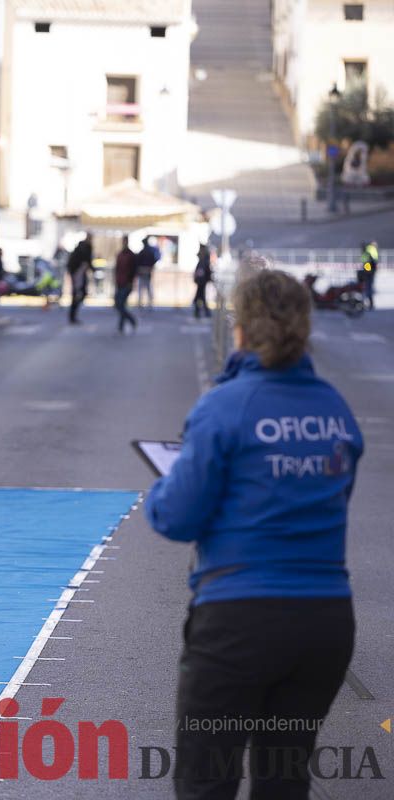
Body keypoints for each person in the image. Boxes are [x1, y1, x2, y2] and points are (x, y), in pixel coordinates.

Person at [146, 269, 363, 799]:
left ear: (239, 329)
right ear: (304, 327)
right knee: (284, 780)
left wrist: (166, 484)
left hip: (239, 620)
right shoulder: (335, 409)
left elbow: (177, 517)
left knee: (207, 780)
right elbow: (334, 498)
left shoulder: (225, 406)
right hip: (326, 622)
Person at [66, 233, 93, 324]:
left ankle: (73, 315)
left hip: (77, 272)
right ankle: (72, 316)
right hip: (77, 273)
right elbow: (88, 261)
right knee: (78, 294)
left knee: (78, 294)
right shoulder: (85, 248)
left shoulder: (80, 248)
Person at [113, 236, 138, 333]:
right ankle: (123, 324)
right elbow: (117, 269)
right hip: (119, 282)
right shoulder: (120, 254)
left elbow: (133, 270)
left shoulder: (131, 255)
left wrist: (130, 282)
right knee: (120, 304)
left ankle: (130, 320)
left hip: (126, 283)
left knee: (120, 304)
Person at [135, 237, 159, 310]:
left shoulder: (147, 252)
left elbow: (153, 261)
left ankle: (148, 303)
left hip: (146, 272)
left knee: (146, 288)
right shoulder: (145, 252)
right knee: (143, 288)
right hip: (143, 272)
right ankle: (142, 303)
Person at [192, 244, 213, 319]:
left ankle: (200, 311)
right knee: (200, 296)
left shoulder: (204, 259)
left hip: (202, 280)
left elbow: (205, 270)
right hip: (201, 280)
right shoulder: (203, 258)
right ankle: (200, 311)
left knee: (200, 296)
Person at [360, 240, 378, 310]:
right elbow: (368, 262)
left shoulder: (367, 252)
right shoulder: (369, 251)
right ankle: (369, 304)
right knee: (368, 288)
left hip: (369, 273)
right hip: (369, 272)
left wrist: (367, 271)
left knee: (368, 288)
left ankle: (369, 304)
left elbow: (367, 262)